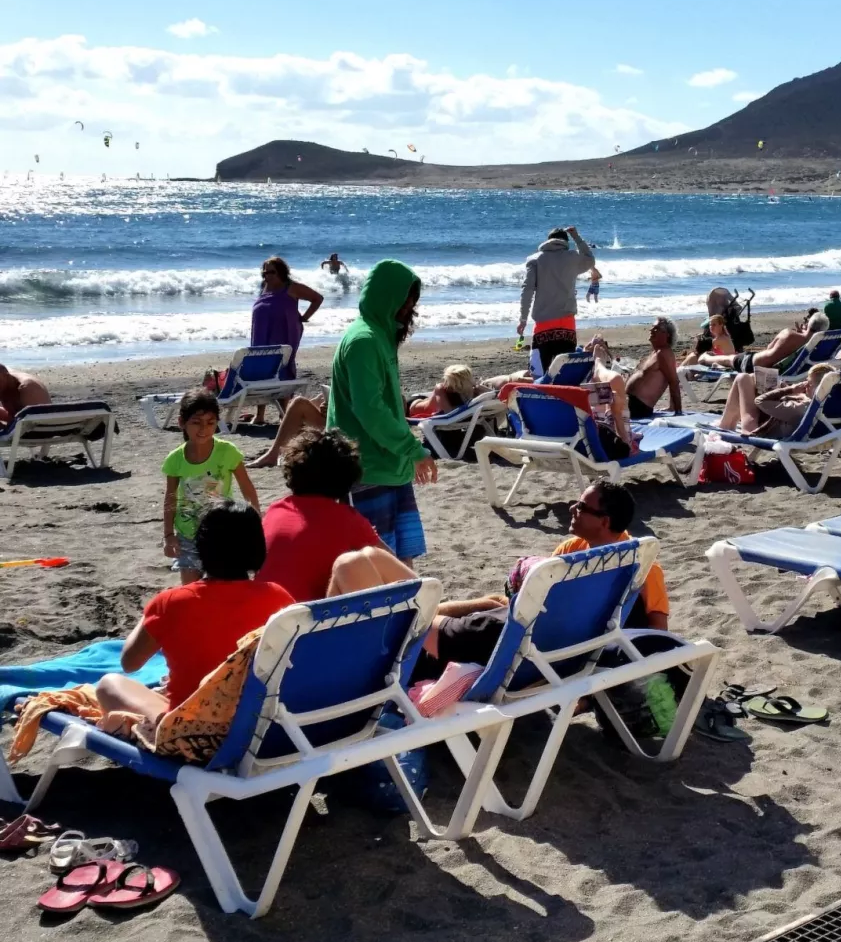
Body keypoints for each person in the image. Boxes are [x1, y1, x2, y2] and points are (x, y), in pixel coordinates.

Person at [358, 483, 673, 684]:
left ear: (604, 521)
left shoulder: (646, 572)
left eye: (581, 507)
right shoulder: (575, 550)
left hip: (539, 648)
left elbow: (658, 632)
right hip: (554, 643)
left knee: (456, 628)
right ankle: (432, 613)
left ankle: (417, 614)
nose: (572, 510)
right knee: (491, 607)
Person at [95, 503, 294, 735]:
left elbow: (130, 663)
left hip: (194, 728)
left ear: (200, 548)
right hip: (261, 720)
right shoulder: (278, 596)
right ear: (257, 549)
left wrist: (154, 611)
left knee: (109, 684)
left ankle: (156, 724)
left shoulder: (171, 602)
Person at [327, 259, 437, 565]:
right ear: (386, 295)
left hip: (392, 466)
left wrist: (406, 455)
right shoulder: (363, 341)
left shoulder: (381, 335)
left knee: (403, 560)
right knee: (375, 566)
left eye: (412, 301)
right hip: (365, 468)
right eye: (404, 300)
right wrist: (412, 449)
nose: (408, 308)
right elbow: (371, 411)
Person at [255, 429, 391, 603]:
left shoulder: (275, 510)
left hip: (267, 614)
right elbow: (393, 566)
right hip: (308, 616)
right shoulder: (347, 519)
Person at [163, 389, 260, 583]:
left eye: (210, 423)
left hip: (223, 532)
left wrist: (255, 524)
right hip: (188, 534)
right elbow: (170, 497)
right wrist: (168, 535)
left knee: (224, 586)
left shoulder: (227, 452)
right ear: (182, 422)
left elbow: (247, 488)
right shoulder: (175, 459)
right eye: (196, 422)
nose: (203, 429)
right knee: (192, 589)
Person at [248, 256, 323, 423]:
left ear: (281, 272)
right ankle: (260, 415)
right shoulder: (264, 287)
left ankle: (284, 415)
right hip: (261, 333)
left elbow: (317, 298)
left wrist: (305, 317)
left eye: (271, 272)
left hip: (284, 332)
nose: (267, 276)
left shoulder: (292, 288)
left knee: (283, 368)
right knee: (261, 369)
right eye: (264, 273)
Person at [517, 226, 597, 372]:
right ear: (566, 242)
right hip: (567, 324)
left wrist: (523, 319)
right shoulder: (572, 257)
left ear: (548, 241)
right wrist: (577, 237)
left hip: (543, 324)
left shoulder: (534, 260)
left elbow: (527, 290)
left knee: (539, 372)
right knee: (565, 372)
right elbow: (590, 259)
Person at [716, 363, 835, 436]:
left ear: (816, 387)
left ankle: (726, 424)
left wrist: (789, 390)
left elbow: (760, 401)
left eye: (808, 383)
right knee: (752, 377)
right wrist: (787, 389)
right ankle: (726, 423)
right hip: (779, 420)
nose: (805, 385)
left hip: (756, 430)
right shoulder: (822, 402)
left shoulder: (800, 407)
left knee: (742, 378)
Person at [696, 313, 824, 373]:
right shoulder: (819, 344)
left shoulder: (789, 334)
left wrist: (798, 334)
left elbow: (769, 347)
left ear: (808, 324)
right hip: (781, 370)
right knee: (731, 359)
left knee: (728, 359)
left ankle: (705, 358)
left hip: (754, 363)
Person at [246, 392, 327, 468]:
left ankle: (274, 454)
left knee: (299, 403)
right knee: (313, 400)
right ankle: (277, 453)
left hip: (334, 428)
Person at [625, 316, 685, 418]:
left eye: (657, 328)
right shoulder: (656, 352)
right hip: (632, 402)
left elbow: (673, 382)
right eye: (652, 327)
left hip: (638, 407)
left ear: (667, 335)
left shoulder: (664, 353)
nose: (652, 330)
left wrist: (678, 412)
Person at [407, 364, 478, 418]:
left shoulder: (468, 388)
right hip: (412, 407)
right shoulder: (441, 388)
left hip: (427, 399)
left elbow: (486, 396)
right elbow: (448, 413)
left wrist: (479, 389)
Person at [0, 364, 49, 431]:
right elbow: (13, 416)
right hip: (22, 423)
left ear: (6, 376)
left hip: (38, 428)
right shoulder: (6, 383)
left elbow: (37, 423)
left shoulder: (28, 388)